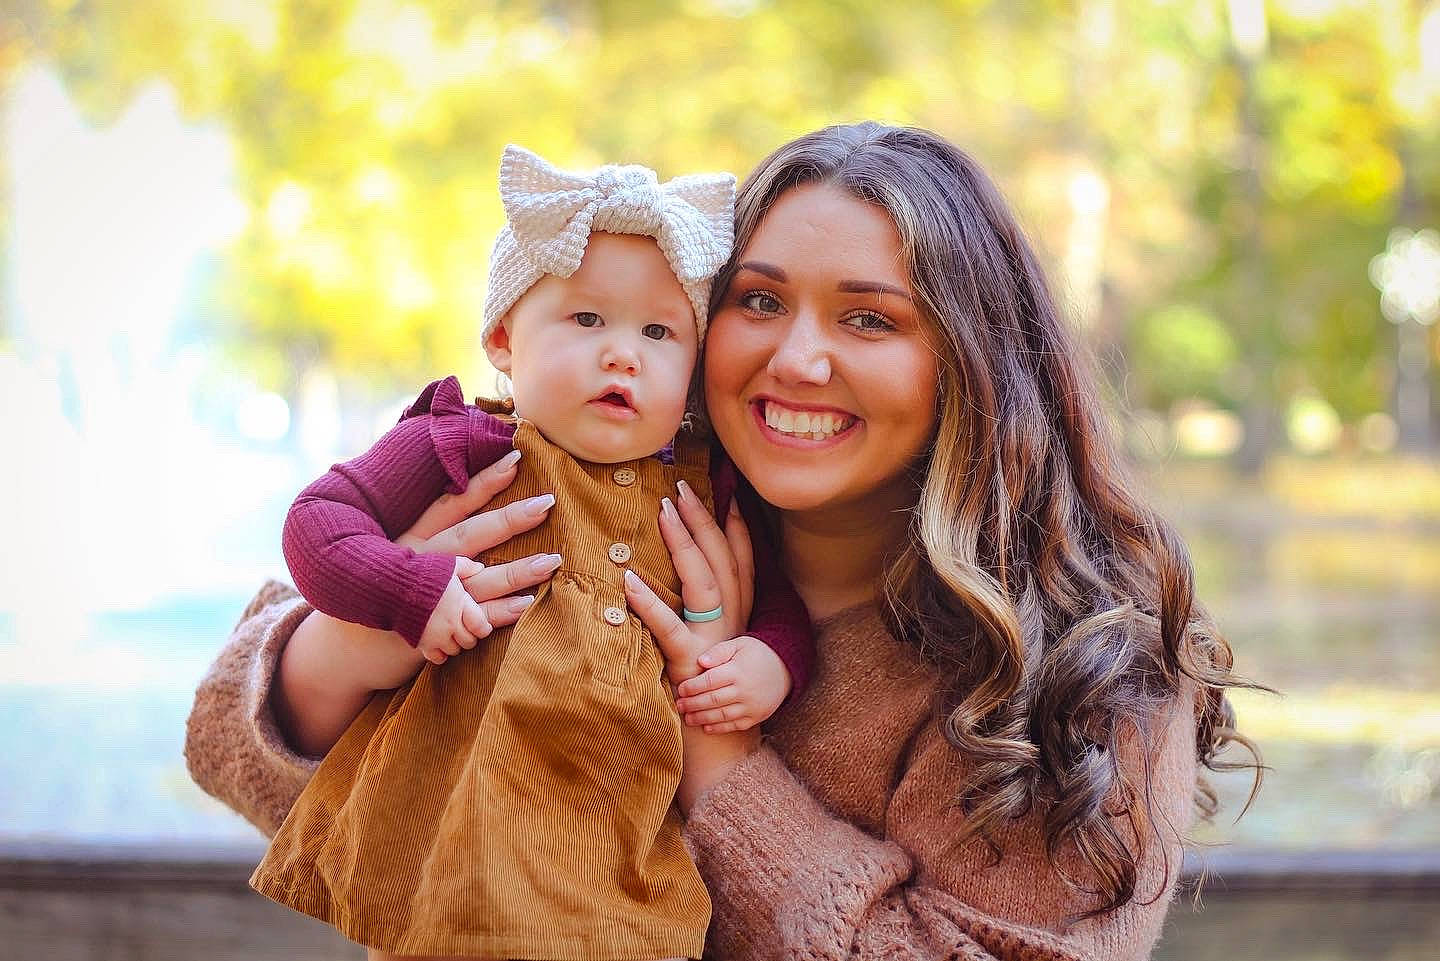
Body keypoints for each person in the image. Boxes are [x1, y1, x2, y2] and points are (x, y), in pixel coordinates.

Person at [186, 122, 1257, 961]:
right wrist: (364, 641)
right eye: (758, 300)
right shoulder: (608, 513)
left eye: (869, 319)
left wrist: (725, 764)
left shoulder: (1081, 674)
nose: (796, 358)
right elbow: (260, 769)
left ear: (976, 364)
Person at [246, 144, 812, 961]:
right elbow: (319, 522)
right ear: (505, 338)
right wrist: (410, 587)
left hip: (615, 871)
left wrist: (770, 658)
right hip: (455, 854)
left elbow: (776, 596)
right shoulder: (464, 445)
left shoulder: (704, 489)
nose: (624, 352)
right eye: (586, 319)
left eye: (660, 331)